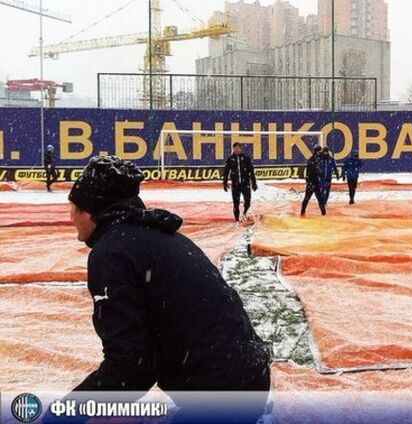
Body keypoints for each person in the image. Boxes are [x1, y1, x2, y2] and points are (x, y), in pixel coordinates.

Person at [63, 156, 270, 423]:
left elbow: (131, 368)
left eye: (73, 208)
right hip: (246, 378)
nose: (70, 217)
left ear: (90, 212)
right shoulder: (157, 235)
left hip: (219, 393)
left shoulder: (111, 253)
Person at [223, 143, 257, 223]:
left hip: (245, 184)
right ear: (233, 149)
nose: (236, 150)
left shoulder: (246, 158)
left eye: (238, 148)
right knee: (236, 203)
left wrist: (254, 182)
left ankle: (245, 212)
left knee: (248, 201)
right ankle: (237, 220)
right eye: (235, 149)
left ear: (240, 149)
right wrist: (225, 183)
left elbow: (251, 171)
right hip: (235, 185)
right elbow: (226, 172)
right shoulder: (230, 159)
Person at [301, 146, 325, 216]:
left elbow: (326, 157)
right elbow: (309, 173)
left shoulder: (318, 159)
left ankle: (323, 213)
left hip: (316, 182)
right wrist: (309, 182)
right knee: (307, 198)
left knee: (320, 198)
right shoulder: (311, 160)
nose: (321, 153)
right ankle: (302, 212)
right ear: (317, 152)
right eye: (320, 152)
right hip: (312, 182)